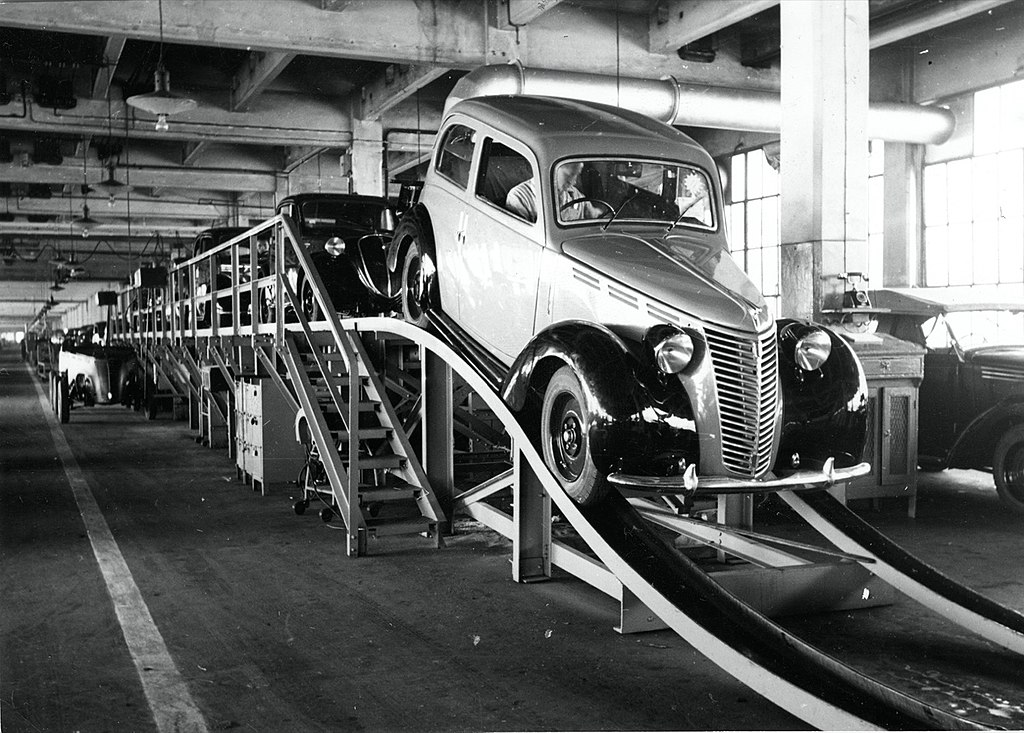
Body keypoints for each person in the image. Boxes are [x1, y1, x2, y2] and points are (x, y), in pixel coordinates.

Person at [505, 161, 599, 222]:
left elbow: (594, 215)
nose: (574, 182)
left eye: (577, 175)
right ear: (552, 170)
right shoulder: (519, 197)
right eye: (570, 175)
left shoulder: (575, 194)